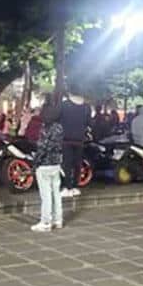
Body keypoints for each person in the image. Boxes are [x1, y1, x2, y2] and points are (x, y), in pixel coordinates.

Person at [31, 99, 63, 232]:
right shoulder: (59, 128)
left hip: (44, 164)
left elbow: (43, 148)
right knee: (56, 192)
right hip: (56, 163)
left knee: (46, 195)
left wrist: (35, 163)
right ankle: (58, 220)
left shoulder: (46, 128)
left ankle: (45, 222)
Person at [59, 90, 90, 198]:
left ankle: (67, 187)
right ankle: (75, 187)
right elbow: (88, 122)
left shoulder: (64, 105)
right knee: (77, 164)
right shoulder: (86, 107)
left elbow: (58, 119)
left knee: (67, 164)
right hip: (80, 139)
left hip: (66, 139)